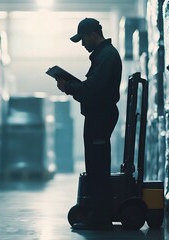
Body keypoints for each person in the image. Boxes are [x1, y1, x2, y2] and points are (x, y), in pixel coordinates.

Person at [56, 18, 122, 230]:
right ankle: (96, 213)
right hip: (97, 116)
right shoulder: (103, 56)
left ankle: (100, 218)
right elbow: (91, 90)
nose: (82, 44)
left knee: (98, 168)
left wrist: (69, 87)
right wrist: (72, 86)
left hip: (101, 117)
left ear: (93, 34)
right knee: (94, 167)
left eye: (83, 39)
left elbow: (92, 91)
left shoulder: (107, 56)